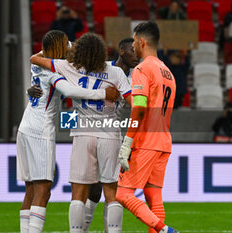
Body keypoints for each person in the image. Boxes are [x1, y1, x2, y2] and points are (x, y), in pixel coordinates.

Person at [17, 30, 118, 233]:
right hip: (40, 129)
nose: (69, 46)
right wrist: (103, 93)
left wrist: (67, 44)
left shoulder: (38, 61)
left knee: (30, 189)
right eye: (65, 44)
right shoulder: (54, 71)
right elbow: (70, 91)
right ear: (58, 48)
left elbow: (50, 48)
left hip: (24, 126)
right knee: (43, 189)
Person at [116, 21, 179, 233]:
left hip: (146, 141)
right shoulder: (167, 71)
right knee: (153, 195)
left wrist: (127, 142)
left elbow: (139, 108)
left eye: (134, 41)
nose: (133, 46)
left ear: (142, 41)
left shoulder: (142, 68)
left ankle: (165, 230)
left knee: (123, 194)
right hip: (164, 141)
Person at [84, 37, 139, 232]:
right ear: (121, 51)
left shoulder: (136, 77)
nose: (136, 55)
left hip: (120, 136)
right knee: (93, 189)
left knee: (113, 188)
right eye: (132, 51)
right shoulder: (102, 68)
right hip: (94, 133)